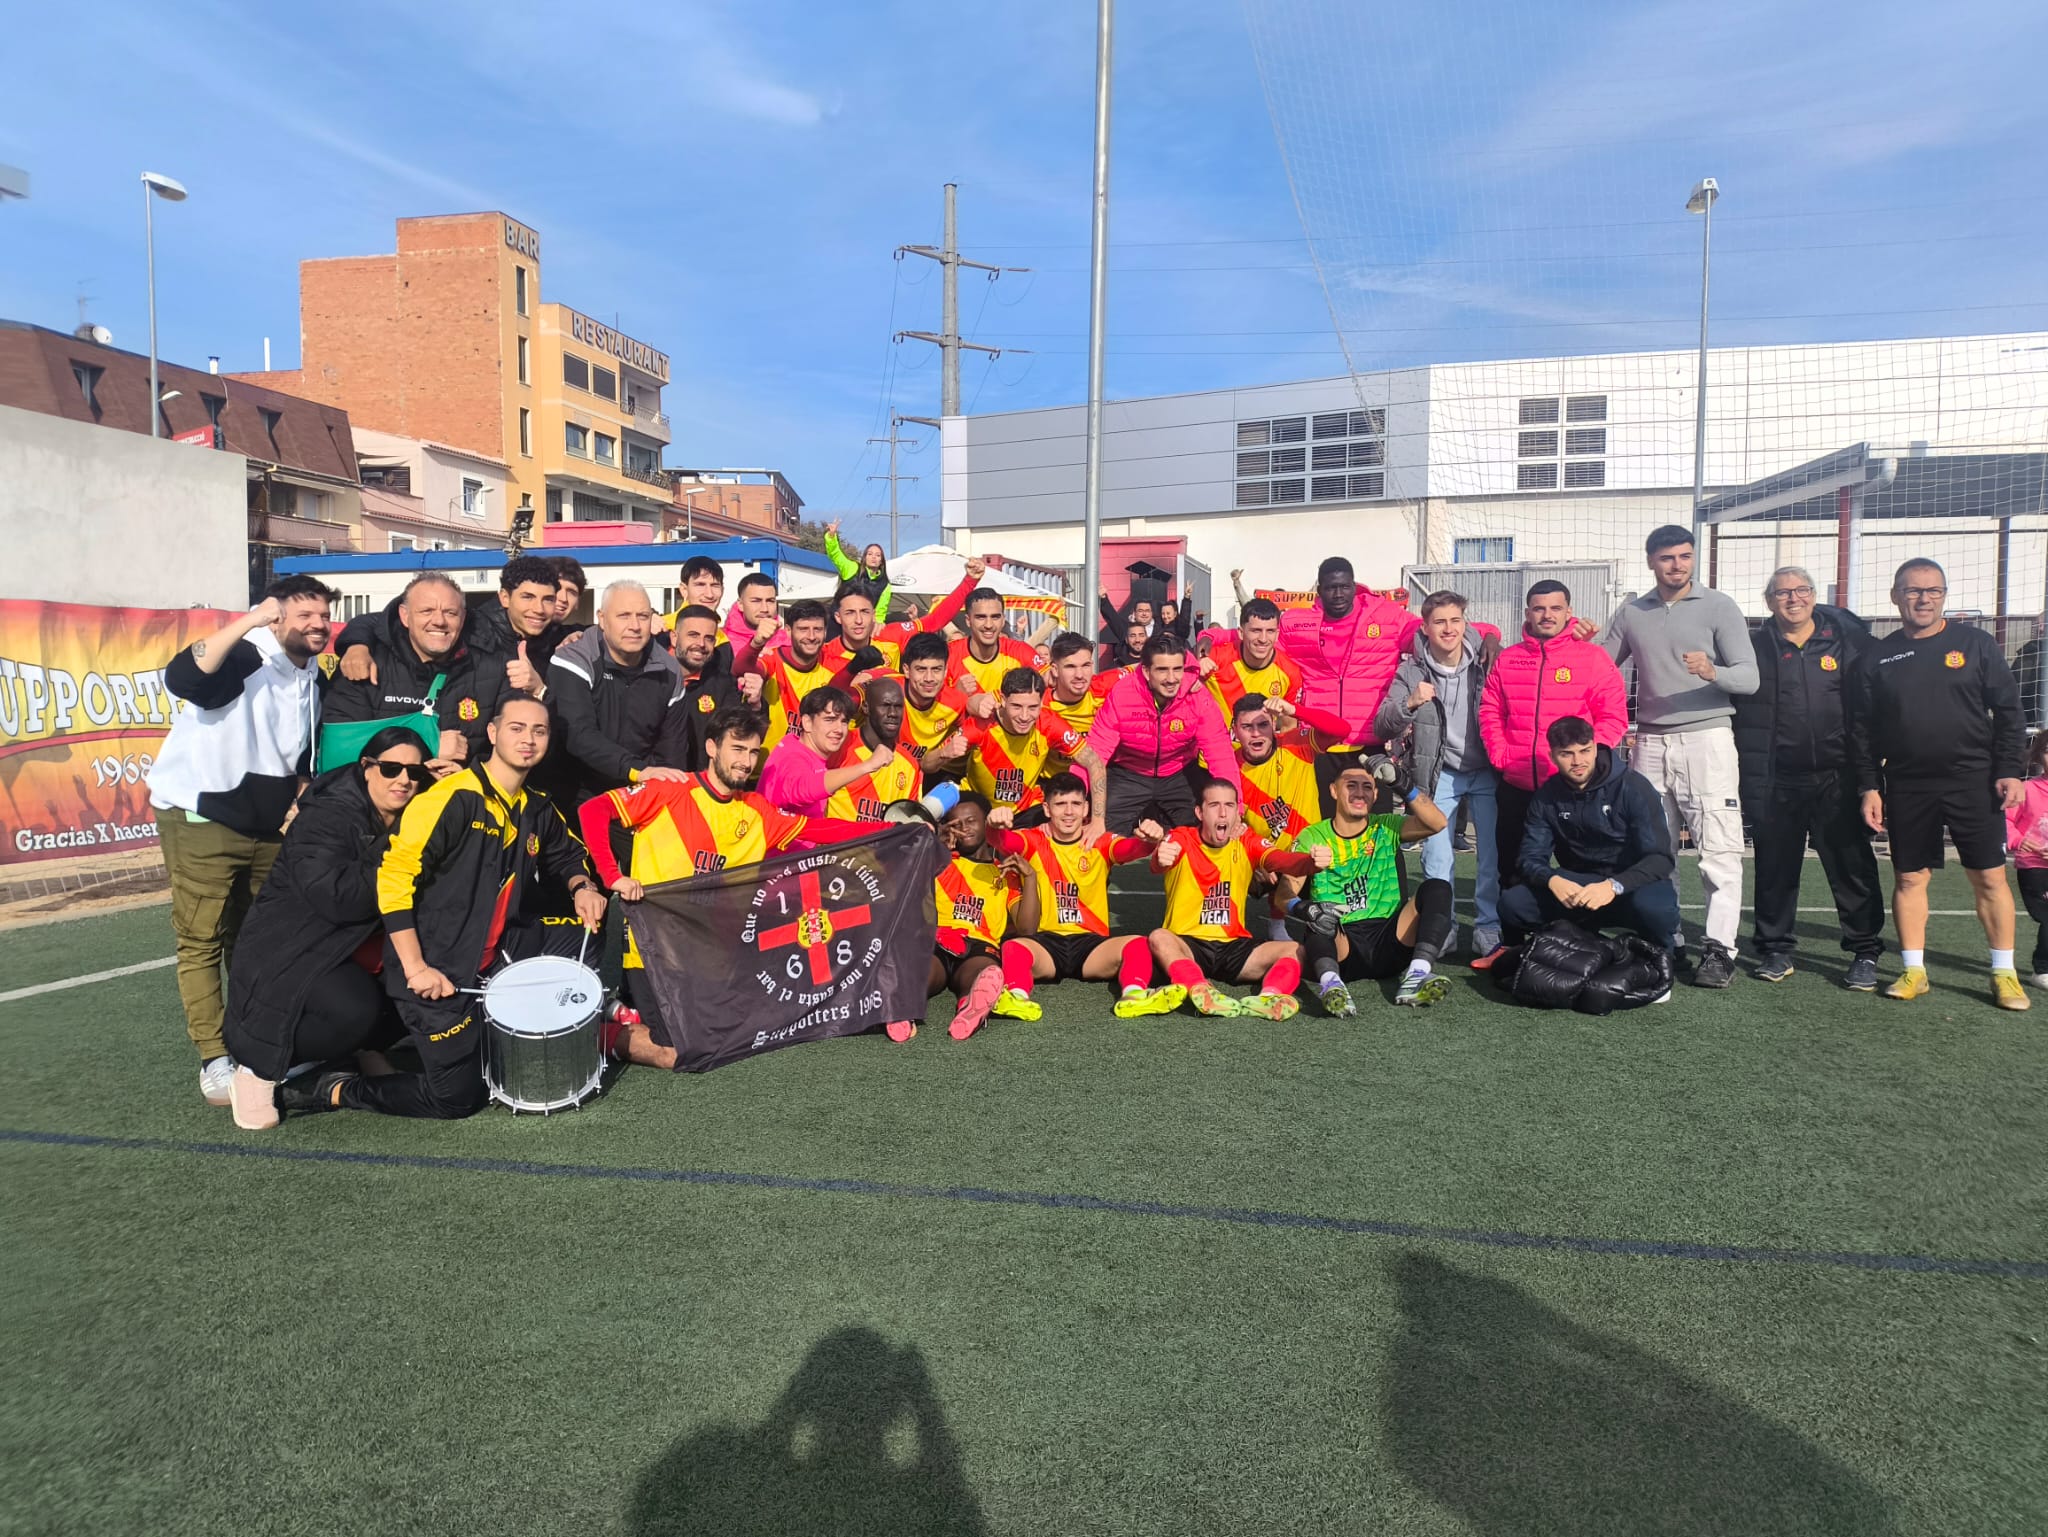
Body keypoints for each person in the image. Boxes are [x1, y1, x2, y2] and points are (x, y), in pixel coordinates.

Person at [294, 696, 609, 1119]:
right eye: (516, 728)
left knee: (597, 929)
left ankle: (561, 1019)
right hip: (438, 966)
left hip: (497, 950)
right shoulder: (452, 797)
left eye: (539, 731)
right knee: (458, 1098)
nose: (528, 739)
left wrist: (582, 886)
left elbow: (566, 854)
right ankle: (340, 1088)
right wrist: (416, 969)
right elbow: (394, 879)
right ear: (493, 733)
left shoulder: (535, 804)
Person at [583, 703, 879, 1067]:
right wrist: (612, 875)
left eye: (753, 752)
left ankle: (627, 1011)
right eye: (737, 749)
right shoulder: (670, 789)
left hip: (712, 954)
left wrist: (894, 830)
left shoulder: (756, 810)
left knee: (742, 1030)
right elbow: (593, 810)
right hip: (654, 952)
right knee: (680, 1052)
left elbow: (820, 830)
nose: (746, 762)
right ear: (711, 747)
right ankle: (597, 1034)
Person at [146, 580, 335, 1106]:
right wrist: (250, 620)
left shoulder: (312, 674)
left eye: (324, 615)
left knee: (258, 938)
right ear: (274, 617)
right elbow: (183, 676)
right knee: (202, 938)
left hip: (265, 827)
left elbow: (299, 751)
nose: (317, 623)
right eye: (303, 614)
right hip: (201, 816)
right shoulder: (247, 655)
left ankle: (254, 1044)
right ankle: (214, 1058)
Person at [222, 728, 429, 1128]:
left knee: (430, 978)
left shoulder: (417, 812)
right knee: (354, 1010)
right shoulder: (326, 817)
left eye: (415, 773)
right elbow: (337, 898)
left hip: (352, 944)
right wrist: (398, 854)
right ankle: (257, 1069)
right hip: (292, 950)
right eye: (391, 768)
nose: (404, 780)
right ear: (366, 768)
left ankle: (362, 1050)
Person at [1849, 557, 2028, 1009]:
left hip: (1974, 781)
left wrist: (2009, 769)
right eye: (1913, 590)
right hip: (1907, 783)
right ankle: (1914, 970)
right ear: (1896, 596)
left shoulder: (1975, 644)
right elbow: (1862, 731)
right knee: (1910, 877)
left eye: (1933, 591)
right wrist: (1869, 786)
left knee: (1989, 876)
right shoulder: (1877, 656)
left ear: (1944, 596)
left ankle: (2004, 973)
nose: (1923, 599)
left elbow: (2009, 711)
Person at [1599, 526, 1759, 987]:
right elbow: (1601, 665)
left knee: (1719, 849)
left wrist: (1713, 671)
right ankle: (1666, 939)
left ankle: (1720, 950)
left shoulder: (1719, 606)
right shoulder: (1632, 611)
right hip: (1649, 742)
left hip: (1707, 739)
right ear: (1651, 560)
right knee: (1653, 849)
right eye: (1667, 557)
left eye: (1685, 556)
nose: (1677, 565)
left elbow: (1749, 678)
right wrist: (1573, 637)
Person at [1730, 566, 1883, 988]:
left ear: (1814, 596)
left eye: (1801, 590)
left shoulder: (1848, 643)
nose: (1793, 599)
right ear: (1768, 601)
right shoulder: (1752, 649)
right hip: (1775, 778)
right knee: (1775, 869)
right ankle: (1775, 949)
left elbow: (1870, 708)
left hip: (1838, 777)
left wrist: (1869, 778)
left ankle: (1865, 951)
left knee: (1852, 867)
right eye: (1783, 593)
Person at [1476, 580, 1627, 966]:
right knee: (1512, 868)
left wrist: (1586, 764)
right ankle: (1511, 947)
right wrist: (1501, 755)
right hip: (1517, 784)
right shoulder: (1509, 659)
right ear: (1527, 613)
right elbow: (1490, 710)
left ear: (1568, 611)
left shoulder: (1592, 658)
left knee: (1580, 870)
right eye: (1539, 608)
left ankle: (1582, 947)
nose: (1546, 615)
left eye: (1555, 608)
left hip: (1572, 790)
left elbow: (1613, 716)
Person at [1127, 777, 1323, 1019]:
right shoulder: (1181, 837)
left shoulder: (1247, 841)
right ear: (1199, 812)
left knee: (1294, 949)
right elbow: (1160, 862)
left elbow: (1282, 860)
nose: (1222, 813)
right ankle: (1200, 987)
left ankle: (1269, 997)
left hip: (1234, 947)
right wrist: (1160, 858)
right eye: (1214, 805)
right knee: (1159, 937)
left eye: (1229, 805)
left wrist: (1310, 863)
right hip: (1188, 945)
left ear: (1237, 812)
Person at [1374, 589, 1500, 962]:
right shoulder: (1410, 671)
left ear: (1465, 623)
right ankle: (1441, 927)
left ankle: (1488, 927)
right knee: (1437, 858)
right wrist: (1411, 702)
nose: (1448, 629)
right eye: (1439, 622)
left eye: (1455, 620)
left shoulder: (1488, 661)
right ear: (1425, 628)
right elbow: (1383, 724)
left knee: (1491, 855)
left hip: (1487, 769)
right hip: (1439, 772)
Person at [1499, 717, 1680, 974]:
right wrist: (1552, 880)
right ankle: (1586, 944)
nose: (1578, 761)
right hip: (1579, 888)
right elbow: (1529, 857)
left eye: (1584, 751)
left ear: (1595, 748)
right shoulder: (1546, 797)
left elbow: (1660, 859)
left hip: (1629, 884)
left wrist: (1613, 886)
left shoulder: (1634, 787)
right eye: (1567, 754)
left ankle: (1661, 956)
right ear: (1552, 756)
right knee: (1513, 902)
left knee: (1656, 908)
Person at [990, 775, 1174, 1019]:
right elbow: (1000, 841)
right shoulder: (1033, 840)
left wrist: (1149, 841)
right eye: (1060, 804)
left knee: (1138, 944)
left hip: (1091, 944)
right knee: (1014, 947)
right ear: (1047, 809)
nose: (1069, 812)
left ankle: (1133, 996)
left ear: (1086, 808)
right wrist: (993, 825)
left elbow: (1132, 849)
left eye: (1076, 804)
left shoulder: (1100, 842)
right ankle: (1016, 998)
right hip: (1046, 943)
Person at [1292, 753, 1458, 1013]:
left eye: (1367, 787)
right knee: (1318, 916)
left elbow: (1437, 822)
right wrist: (1301, 907)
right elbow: (1285, 893)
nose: (1360, 793)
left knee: (1438, 887)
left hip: (1391, 941)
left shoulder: (1386, 826)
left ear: (1376, 794)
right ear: (1333, 791)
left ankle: (1417, 973)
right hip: (1343, 947)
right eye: (1351, 785)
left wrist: (1401, 782)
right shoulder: (1311, 836)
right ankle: (1331, 984)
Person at [1276, 557, 1421, 811]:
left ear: (1354, 586)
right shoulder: (1296, 624)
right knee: (1322, 826)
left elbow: (1436, 632)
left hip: (1371, 744)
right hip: (1320, 744)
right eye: (1331, 588)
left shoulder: (1387, 617)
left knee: (1376, 827)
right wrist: (1211, 636)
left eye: (1344, 586)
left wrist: (1488, 634)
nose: (1338, 594)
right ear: (1319, 590)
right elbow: (1256, 640)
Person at [320, 571, 500, 768]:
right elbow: (338, 755)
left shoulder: (491, 670)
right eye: (426, 611)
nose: (439, 621)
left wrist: (468, 775)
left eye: (450, 613)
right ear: (404, 616)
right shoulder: (364, 665)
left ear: (463, 618)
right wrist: (430, 745)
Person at [1074, 634, 1241, 835]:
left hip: (1179, 772)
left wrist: (1236, 810)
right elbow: (1095, 752)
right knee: (1100, 832)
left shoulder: (1197, 696)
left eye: (1177, 669)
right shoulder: (1122, 694)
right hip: (1129, 773)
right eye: (1162, 670)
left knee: (1206, 827)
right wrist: (1074, 804)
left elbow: (1220, 753)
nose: (1171, 679)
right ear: (1146, 671)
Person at [542, 579, 685, 805]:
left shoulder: (669, 669)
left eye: (643, 616)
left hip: (639, 793)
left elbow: (672, 749)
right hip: (575, 793)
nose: (635, 625)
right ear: (602, 618)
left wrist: (660, 789)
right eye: (623, 616)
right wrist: (637, 770)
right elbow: (579, 734)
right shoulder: (573, 659)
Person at [928, 792, 1040, 1041]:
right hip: (938, 939)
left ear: (986, 824)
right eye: (957, 823)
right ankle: (902, 1009)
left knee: (983, 973)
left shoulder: (1005, 872)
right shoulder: (941, 861)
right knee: (920, 971)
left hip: (980, 946)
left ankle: (970, 1008)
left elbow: (1027, 929)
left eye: (971, 821)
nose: (964, 828)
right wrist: (935, 847)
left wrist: (1030, 878)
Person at [958, 667, 1086, 822]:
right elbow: (936, 759)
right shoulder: (981, 725)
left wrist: (1097, 821)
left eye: (1032, 707)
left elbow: (1094, 762)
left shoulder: (1048, 723)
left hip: (1027, 811)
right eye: (1017, 707)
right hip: (978, 808)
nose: (1024, 716)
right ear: (1003, 701)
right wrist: (943, 753)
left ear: (1041, 702)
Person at [819, 559, 981, 675]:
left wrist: (970, 581)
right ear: (838, 617)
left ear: (874, 615)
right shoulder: (825, 654)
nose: (859, 620)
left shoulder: (891, 635)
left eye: (865, 612)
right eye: (850, 613)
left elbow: (935, 620)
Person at [740, 598, 860, 748]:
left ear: (825, 632)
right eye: (803, 629)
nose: (811, 637)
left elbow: (856, 703)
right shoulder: (772, 659)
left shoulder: (840, 666)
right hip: (770, 760)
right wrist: (756, 644)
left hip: (817, 761)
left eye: (817, 629)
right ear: (788, 631)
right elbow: (741, 669)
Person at [759, 687, 890, 816]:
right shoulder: (792, 756)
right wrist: (868, 765)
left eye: (844, 721)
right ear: (807, 722)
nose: (839, 729)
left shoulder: (802, 749)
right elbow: (802, 789)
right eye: (830, 720)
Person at [651, 605, 741, 773]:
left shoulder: (722, 683)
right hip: (651, 778)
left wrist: (757, 704)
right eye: (693, 635)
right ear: (674, 638)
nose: (701, 644)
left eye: (709, 638)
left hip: (700, 781)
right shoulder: (648, 675)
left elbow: (736, 733)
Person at [827, 677, 923, 822]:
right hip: (836, 836)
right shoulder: (839, 745)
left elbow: (909, 821)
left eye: (898, 706)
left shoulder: (910, 764)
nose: (892, 713)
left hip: (885, 837)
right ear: (866, 707)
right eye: (885, 705)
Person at [1197, 597, 1303, 716]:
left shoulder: (1290, 673)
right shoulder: (1212, 660)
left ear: (1277, 634)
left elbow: (1288, 723)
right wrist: (1194, 669)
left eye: (1270, 631)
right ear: (1241, 633)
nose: (1263, 639)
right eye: (1256, 631)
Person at [897, 631, 975, 777]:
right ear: (906, 670)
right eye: (921, 669)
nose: (929, 678)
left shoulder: (957, 703)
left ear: (945, 671)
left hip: (928, 774)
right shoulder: (888, 691)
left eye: (936, 669)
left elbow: (978, 730)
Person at [946, 588, 1041, 704]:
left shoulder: (1021, 651)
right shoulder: (948, 655)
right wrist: (955, 695)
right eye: (981, 617)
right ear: (968, 620)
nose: (989, 625)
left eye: (995, 617)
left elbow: (1049, 688)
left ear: (1003, 620)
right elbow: (930, 707)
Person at [2005, 733, 2048, 988]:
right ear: (2038, 756)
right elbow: (2005, 821)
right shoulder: (2027, 790)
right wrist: (2018, 840)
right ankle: (2042, 969)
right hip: (2034, 867)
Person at [825, 521, 894, 619]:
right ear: (864, 557)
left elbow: (880, 612)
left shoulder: (885, 585)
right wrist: (831, 536)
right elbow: (835, 555)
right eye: (870, 554)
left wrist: (878, 625)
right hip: (838, 620)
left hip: (863, 624)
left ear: (881, 561)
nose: (873, 557)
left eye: (878, 555)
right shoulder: (852, 568)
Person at [551, 557, 589, 626]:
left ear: (577, 603)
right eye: (557, 588)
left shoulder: (583, 632)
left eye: (571, 592)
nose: (564, 599)